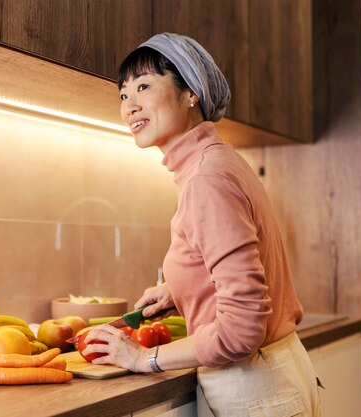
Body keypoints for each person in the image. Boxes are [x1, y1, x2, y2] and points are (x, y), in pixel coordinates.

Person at [82, 33, 322, 416]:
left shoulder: (207, 179)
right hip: (270, 379)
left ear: (190, 92)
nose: (130, 105)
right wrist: (179, 290)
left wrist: (146, 358)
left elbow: (243, 328)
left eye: (143, 86)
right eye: (123, 95)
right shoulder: (216, 163)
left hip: (255, 387)